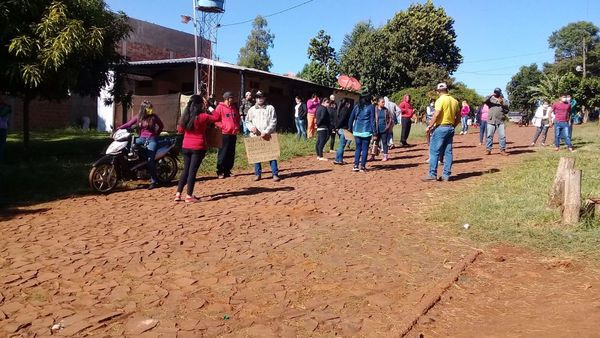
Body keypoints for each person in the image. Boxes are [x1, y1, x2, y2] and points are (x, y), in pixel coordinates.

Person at [174, 95, 220, 203]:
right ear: (200, 105)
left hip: (186, 146)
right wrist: (209, 106)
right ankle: (189, 195)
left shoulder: (185, 117)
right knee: (192, 172)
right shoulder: (203, 117)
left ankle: (178, 194)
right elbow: (217, 117)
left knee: (185, 170)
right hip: (198, 147)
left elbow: (180, 130)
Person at [118, 100, 164, 189]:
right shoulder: (139, 117)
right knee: (127, 147)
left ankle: (154, 181)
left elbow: (161, 126)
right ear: (143, 109)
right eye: (148, 108)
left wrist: (156, 134)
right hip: (141, 139)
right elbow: (129, 124)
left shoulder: (154, 117)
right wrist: (119, 128)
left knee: (150, 160)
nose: (150, 109)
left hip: (151, 140)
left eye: (151, 108)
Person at [422, 83, 460, 182]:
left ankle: (432, 174)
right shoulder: (454, 101)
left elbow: (436, 114)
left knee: (434, 151)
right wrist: (453, 126)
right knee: (448, 152)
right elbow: (458, 117)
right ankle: (446, 175)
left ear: (438, 91)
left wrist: (429, 126)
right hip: (450, 127)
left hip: (441, 127)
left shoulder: (440, 100)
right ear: (447, 90)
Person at [246, 91, 281, 181]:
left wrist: (266, 131)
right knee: (257, 155)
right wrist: (251, 127)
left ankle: (275, 174)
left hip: (268, 135)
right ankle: (257, 174)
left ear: (265, 98)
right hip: (256, 136)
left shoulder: (270, 108)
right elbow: (247, 121)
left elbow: (273, 121)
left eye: (261, 97)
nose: (259, 99)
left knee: (272, 156)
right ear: (255, 99)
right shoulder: (251, 109)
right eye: (257, 97)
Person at [213, 91, 240, 179]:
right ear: (227, 99)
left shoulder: (234, 107)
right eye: (231, 98)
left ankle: (227, 170)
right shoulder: (220, 107)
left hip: (233, 133)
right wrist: (223, 127)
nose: (233, 99)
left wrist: (237, 126)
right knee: (223, 153)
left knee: (231, 153)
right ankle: (220, 171)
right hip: (224, 134)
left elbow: (237, 118)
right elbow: (215, 120)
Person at [348, 95, 375, 172]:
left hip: (356, 130)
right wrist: (375, 132)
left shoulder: (357, 106)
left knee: (358, 148)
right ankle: (362, 166)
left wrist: (350, 128)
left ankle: (355, 165)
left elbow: (351, 118)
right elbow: (372, 120)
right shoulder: (371, 107)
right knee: (365, 149)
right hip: (366, 131)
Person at [484, 88, 509, 156]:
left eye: (497, 92)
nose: (496, 93)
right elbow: (484, 100)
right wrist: (491, 95)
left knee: (502, 136)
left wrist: (502, 103)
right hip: (491, 120)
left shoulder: (504, 100)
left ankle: (502, 150)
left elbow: (507, 110)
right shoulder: (490, 99)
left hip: (500, 121)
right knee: (489, 136)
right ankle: (488, 149)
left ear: (500, 93)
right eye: (495, 92)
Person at [373, 96, 395, 162]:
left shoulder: (386, 110)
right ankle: (373, 156)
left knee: (384, 142)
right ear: (378, 102)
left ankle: (385, 156)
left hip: (384, 129)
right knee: (375, 142)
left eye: (384, 102)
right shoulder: (375, 109)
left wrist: (388, 126)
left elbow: (390, 118)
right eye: (382, 102)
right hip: (376, 129)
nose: (383, 103)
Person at [333, 99, 352, 165]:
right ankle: (340, 160)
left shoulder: (339, 109)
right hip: (344, 129)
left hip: (340, 129)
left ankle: (337, 159)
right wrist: (337, 127)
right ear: (347, 103)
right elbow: (342, 120)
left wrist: (336, 127)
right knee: (342, 145)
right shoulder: (346, 110)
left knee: (340, 145)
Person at [315, 97, 332, 161]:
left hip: (319, 127)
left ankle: (318, 155)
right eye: (327, 102)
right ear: (323, 102)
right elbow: (322, 117)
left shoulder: (318, 107)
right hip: (323, 127)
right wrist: (318, 123)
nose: (328, 104)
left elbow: (316, 116)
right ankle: (320, 156)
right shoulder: (324, 108)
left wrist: (317, 124)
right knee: (321, 142)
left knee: (318, 142)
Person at [0, 97, 11, 162]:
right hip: (3, 129)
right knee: (2, 145)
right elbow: (7, 121)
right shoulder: (7, 109)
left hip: (3, 129)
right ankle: (1, 159)